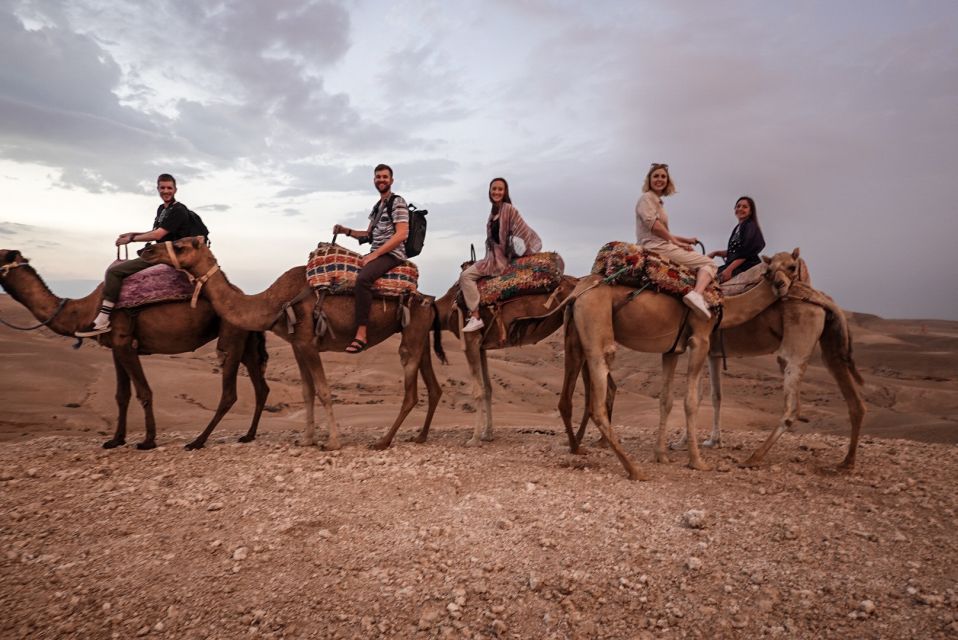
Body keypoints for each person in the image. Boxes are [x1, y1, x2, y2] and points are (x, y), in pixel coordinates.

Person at [76, 173, 207, 337]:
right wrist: (133, 233)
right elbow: (156, 232)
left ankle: (103, 319)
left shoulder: (178, 211)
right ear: (158, 189)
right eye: (162, 188)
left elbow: (158, 235)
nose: (166, 191)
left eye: (169, 188)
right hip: (162, 252)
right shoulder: (163, 209)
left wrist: (131, 239)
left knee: (114, 272)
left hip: (170, 257)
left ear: (175, 189)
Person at [332, 164, 409, 354]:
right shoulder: (377, 207)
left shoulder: (397, 202)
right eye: (378, 177)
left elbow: (402, 234)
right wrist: (346, 231)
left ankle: (361, 332)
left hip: (392, 254)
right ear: (374, 180)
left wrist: (375, 254)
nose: (381, 180)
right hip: (377, 253)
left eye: (385, 177)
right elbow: (367, 235)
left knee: (363, 279)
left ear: (391, 180)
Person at [459, 177, 542, 333]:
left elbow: (522, 231)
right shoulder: (493, 213)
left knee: (466, 277)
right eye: (494, 189)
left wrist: (515, 248)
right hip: (492, 257)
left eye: (500, 189)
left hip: (499, 260)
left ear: (505, 192)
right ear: (490, 192)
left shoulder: (509, 209)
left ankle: (475, 316)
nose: (496, 192)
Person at [635, 163, 716, 320]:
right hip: (656, 246)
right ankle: (697, 295)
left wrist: (685, 240)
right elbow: (654, 226)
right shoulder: (646, 198)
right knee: (710, 264)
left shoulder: (657, 201)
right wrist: (675, 242)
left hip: (658, 243)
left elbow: (662, 232)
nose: (660, 179)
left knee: (690, 255)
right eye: (656, 176)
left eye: (663, 176)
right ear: (649, 180)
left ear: (667, 181)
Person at [708, 196, 766, 283]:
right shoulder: (738, 228)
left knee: (708, 276)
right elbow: (735, 251)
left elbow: (745, 252)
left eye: (744, 207)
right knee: (706, 271)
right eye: (738, 206)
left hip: (745, 267)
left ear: (750, 211)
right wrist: (716, 253)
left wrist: (729, 270)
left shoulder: (750, 226)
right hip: (736, 266)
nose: (740, 209)